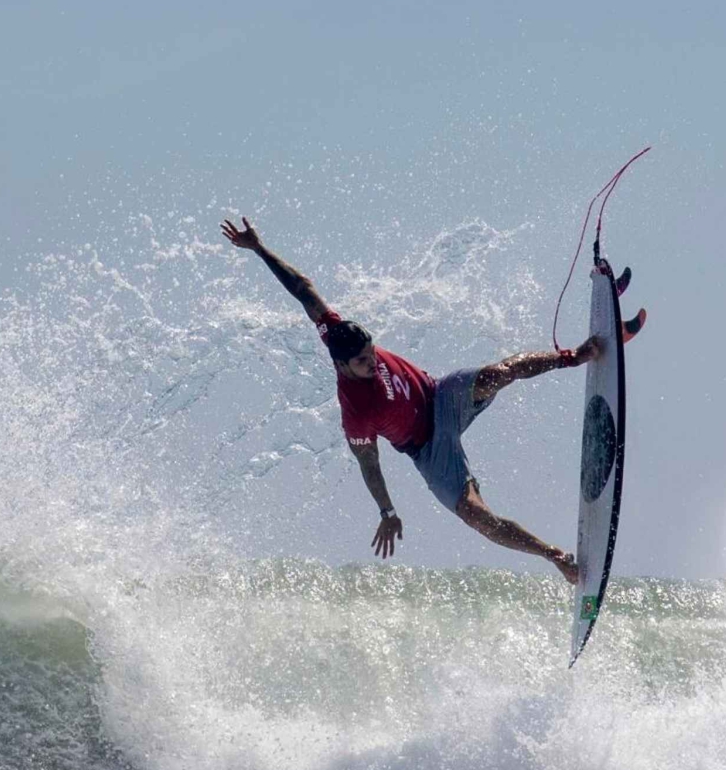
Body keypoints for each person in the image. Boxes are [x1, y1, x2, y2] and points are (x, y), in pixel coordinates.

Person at [221, 216, 642, 584]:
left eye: (372, 353)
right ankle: (556, 558)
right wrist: (387, 512)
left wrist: (259, 248)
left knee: (498, 373)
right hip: (428, 451)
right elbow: (370, 466)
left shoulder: (335, 331)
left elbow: (302, 288)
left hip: (441, 395)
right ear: (344, 366)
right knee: (478, 517)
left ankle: (578, 354)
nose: (373, 362)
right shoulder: (357, 415)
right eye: (365, 362)